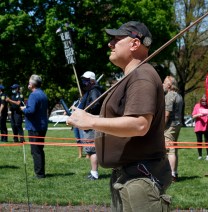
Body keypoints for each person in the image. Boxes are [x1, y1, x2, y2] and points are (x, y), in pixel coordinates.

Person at [67, 21, 172, 211]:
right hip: (129, 177)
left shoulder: (141, 76)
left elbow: (140, 124)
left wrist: (91, 121)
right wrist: (87, 119)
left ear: (134, 44)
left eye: (116, 39)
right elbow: (124, 119)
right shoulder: (132, 76)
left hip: (140, 179)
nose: (110, 44)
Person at [21, 75, 48, 179]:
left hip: (35, 127)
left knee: (36, 151)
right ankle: (40, 172)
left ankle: (39, 174)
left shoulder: (33, 95)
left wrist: (23, 109)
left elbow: (30, 111)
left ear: (32, 84)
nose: (28, 84)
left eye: (29, 82)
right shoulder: (43, 94)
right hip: (42, 126)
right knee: (40, 150)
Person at [79, 71, 102, 180]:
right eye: (83, 80)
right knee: (91, 149)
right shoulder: (90, 91)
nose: (84, 82)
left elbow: (95, 105)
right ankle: (93, 172)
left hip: (92, 123)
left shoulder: (94, 91)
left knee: (92, 150)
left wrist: (86, 111)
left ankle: (94, 173)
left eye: (86, 80)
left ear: (92, 81)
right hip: (90, 122)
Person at [163, 75, 183, 182]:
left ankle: (171, 175)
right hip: (177, 124)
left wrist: (162, 127)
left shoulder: (170, 95)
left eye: (164, 83)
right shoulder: (179, 96)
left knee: (170, 150)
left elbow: (167, 114)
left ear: (169, 85)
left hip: (170, 125)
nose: (163, 85)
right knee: (174, 149)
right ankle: (174, 172)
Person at [192, 94, 208, 160]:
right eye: (203, 101)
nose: (204, 103)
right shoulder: (197, 106)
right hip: (198, 126)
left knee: (207, 141)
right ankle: (200, 155)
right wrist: (198, 115)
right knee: (199, 141)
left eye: (205, 101)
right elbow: (193, 116)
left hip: (207, 126)